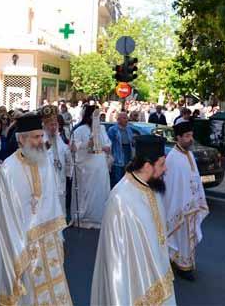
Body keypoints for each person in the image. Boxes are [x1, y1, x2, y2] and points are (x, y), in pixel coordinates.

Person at [0, 112, 72, 305]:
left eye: (41, 135)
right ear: (22, 139)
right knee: (31, 291)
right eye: (36, 137)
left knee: (55, 286)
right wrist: (18, 248)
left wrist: (60, 235)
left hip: (49, 239)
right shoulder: (9, 170)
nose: (41, 141)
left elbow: (54, 199)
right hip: (26, 242)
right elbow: (6, 216)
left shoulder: (44, 161)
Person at [91, 135, 176, 305]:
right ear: (147, 166)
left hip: (158, 273)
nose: (165, 169)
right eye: (161, 164)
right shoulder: (120, 199)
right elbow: (114, 261)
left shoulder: (152, 187)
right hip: (133, 285)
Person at [162, 121, 209, 281]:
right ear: (178, 137)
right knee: (180, 237)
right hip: (180, 207)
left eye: (191, 135)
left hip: (190, 205)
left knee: (186, 237)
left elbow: (194, 178)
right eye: (187, 136)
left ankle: (182, 262)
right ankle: (183, 266)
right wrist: (184, 203)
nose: (191, 139)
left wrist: (197, 199)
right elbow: (173, 187)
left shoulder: (188, 154)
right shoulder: (173, 158)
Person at [71, 105, 111, 229]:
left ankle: (99, 218)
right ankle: (84, 219)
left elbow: (108, 143)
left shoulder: (102, 128)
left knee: (100, 190)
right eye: (95, 116)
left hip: (100, 164)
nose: (97, 119)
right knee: (87, 192)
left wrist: (106, 147)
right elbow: (74, 147)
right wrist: (87, 144)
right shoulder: (80, 130)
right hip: (86, 166)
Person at [42, 105, 72, 215]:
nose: (53, 127)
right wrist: (44, 148)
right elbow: (35, 157)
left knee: (60, 203)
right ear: (45, 126)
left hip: (59, 176)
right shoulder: (40, 138)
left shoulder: (58, 138)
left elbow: (65, 152)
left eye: (55, 124)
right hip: (47, 179)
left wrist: (71, 150)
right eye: (51, 125)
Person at [107, 111, 135, 187]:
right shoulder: (112, 130)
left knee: (125, 180)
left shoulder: (129, 129)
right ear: (118, 119)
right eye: (124, 118)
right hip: (117, 157)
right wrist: (111, 156)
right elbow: (109, 144)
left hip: (127, 156)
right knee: (117, 180)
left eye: (127, 118)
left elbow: (132, 141)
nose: (126, 120)